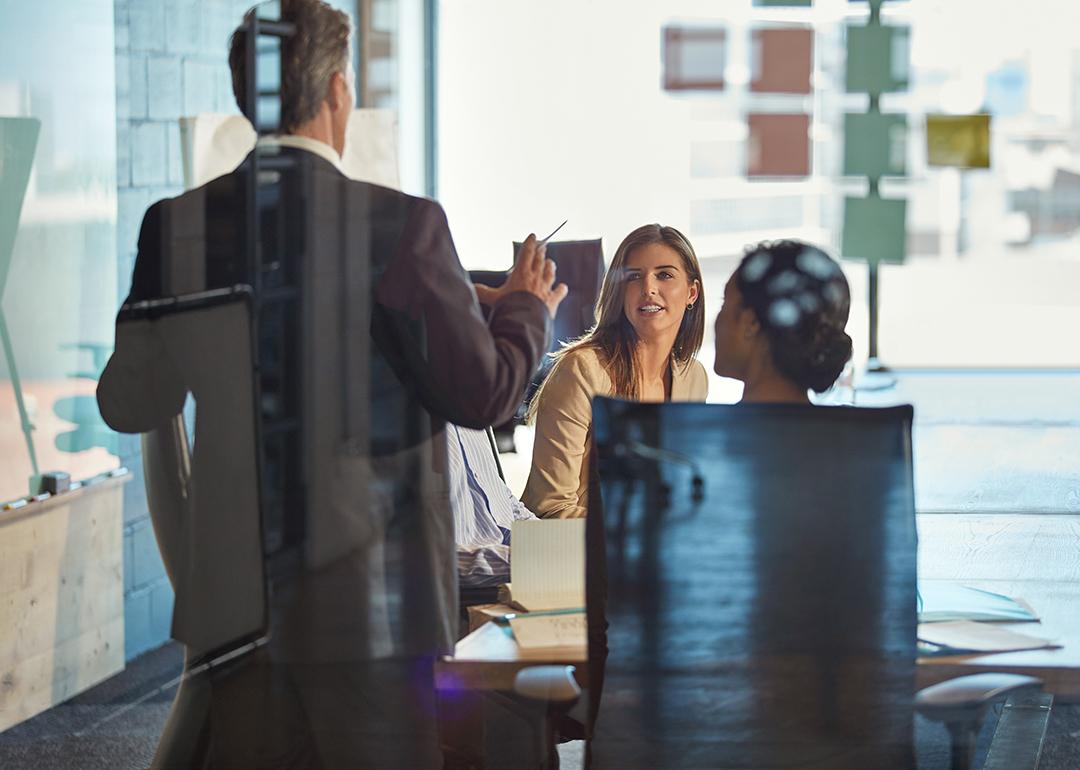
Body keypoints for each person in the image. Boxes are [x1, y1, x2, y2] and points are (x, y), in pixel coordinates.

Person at [96, 1, 565, 767]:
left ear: (249, 96)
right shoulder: (401, 226)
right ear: (338, 93)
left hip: (235, 607)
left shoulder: (174, 225)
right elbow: (484, 396)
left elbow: (129, 401)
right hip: (373, 607)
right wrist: (523, 308)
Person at [522, 223, 708, 519]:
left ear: (692, 293)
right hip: (580, 552)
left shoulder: (693, 378)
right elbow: (549, 506)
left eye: (664, 275)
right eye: (634, 277)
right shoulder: (583, 370)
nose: (648, 288)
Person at [713, 239, 852, 403]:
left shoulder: (707, 427)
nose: (717, 320)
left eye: (724, 303)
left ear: (751, 323)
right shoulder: (845, 427)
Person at [448, 424, 537, 588]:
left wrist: (554, 540)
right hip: (458, 597)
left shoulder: (473, 415)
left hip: (512, 579)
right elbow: (425, 557)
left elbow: (503, 499)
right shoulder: (401, 419)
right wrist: (524, 562)